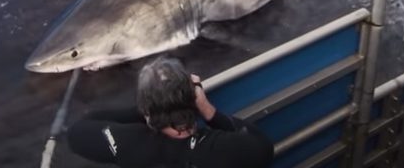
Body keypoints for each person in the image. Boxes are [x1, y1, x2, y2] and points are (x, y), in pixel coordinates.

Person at [67, 56, 274, 168]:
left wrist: (152, 108)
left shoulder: (129, 143)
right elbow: (263, 146)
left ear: (146, 109)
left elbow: (79, 130)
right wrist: (207, 109)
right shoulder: (223, 147)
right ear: (193, 100)